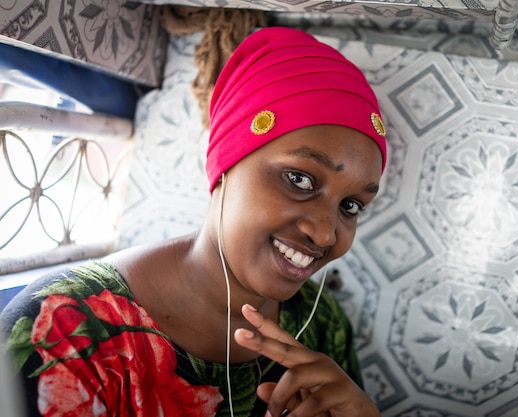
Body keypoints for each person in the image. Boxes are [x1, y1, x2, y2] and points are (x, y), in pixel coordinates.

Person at [0, 26, 387, 417]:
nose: (325, 232)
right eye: (299, 180)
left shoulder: (319, 326)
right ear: (226, 164)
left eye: (351, 206)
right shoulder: (62, 333)